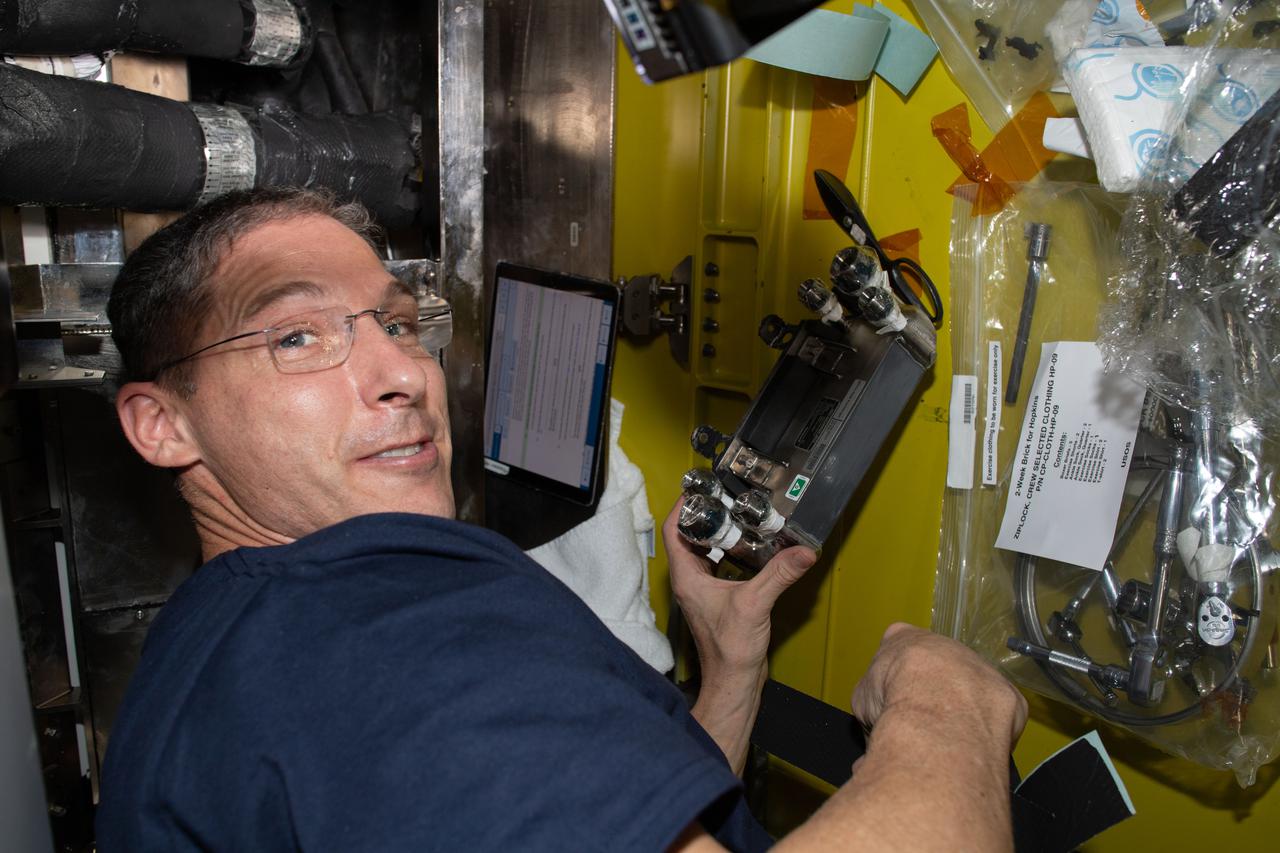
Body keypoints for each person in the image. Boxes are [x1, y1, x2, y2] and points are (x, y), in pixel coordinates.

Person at [97, 187, 1027, 851]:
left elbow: (600, 808)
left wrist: (729, 670)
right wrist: (950, 712)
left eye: (396, 321)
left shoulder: (220, 638)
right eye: (297, 336)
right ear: (162, 422)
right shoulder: (403, 635)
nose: (401, 374)